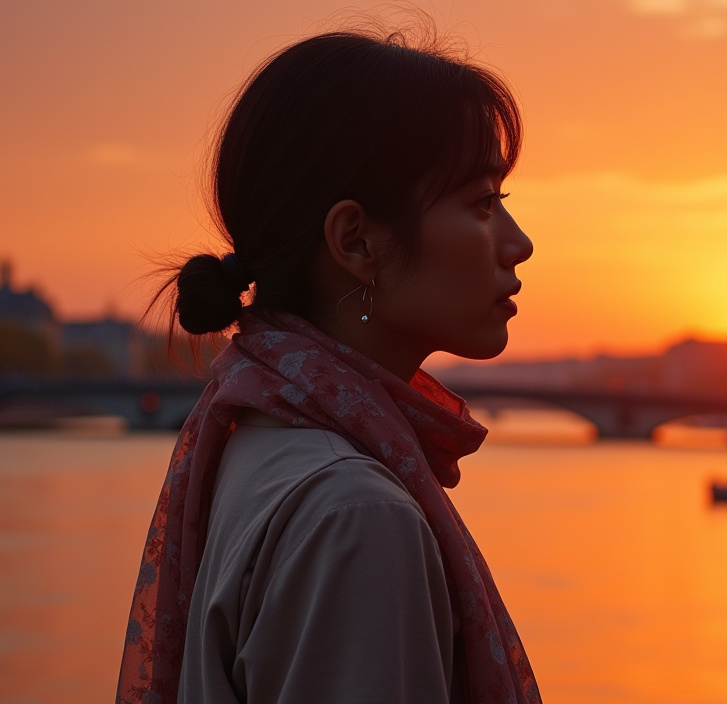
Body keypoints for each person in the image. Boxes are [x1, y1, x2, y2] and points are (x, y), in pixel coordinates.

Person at [116, 27, 540, 704]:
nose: (518, 245)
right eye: (483, 204)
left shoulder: (254, 441)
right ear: (356, 242)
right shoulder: (358, 518)